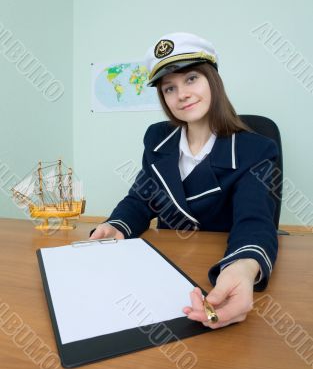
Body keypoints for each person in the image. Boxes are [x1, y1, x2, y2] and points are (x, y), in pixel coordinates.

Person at [90, 32, 278, 329]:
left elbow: (254, 221)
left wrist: (242, 268)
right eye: (169, 88)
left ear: (213, 80)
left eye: (191, 79)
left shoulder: (255, 149)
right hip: (164, 270)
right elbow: (141, 199)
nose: (182, 95)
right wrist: (116, 225)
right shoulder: (158, 139)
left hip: (214, 271)